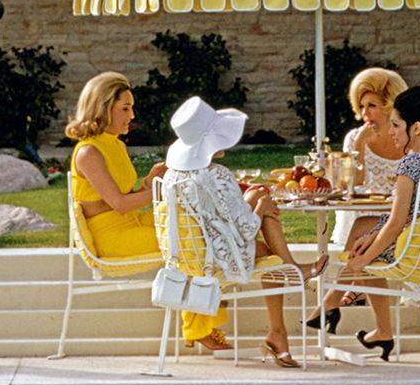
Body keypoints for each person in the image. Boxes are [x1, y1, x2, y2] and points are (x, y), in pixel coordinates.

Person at [163, 95, 322, 367]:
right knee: (269, 237)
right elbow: (246, 230)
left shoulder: (172, 175)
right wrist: (260, 207)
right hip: (220, 257)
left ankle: (280, 325)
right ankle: (293, 274)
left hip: (191, 255)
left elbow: (216, 218)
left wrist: (255, 201)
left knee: (260, 201)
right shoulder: (217, 175)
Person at [66, 71, 220, 342]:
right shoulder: (89, 152)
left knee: (195, 224)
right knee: (188, 241)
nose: (132, 115)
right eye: (125, 108)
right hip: (110, 237)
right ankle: (199, 327)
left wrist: (151, 180)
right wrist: (162, 188)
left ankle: (203, 315)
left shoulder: (114, 145)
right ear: (102, 108)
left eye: (131, 108)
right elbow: (120, 204)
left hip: (131, 222)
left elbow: (128, 196)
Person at [314, 85, 420, 358]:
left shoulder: (411, 164)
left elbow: (396, 223)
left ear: (416, 128)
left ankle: (340, 308)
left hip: (412, 253)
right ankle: (373, 328)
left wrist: (361, 260)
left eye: (395, 125)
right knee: (363, 236)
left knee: (363, 254)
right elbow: (415, 216)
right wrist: (370, 239)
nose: (391, 131)